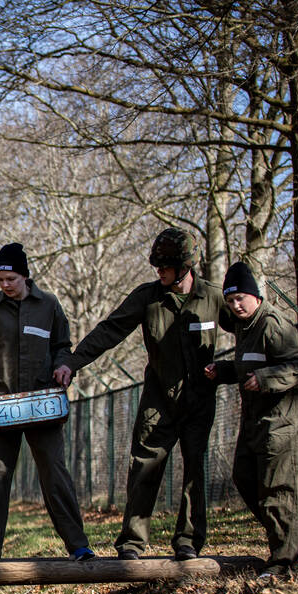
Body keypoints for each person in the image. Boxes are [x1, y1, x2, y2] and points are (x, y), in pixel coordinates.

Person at [55, 227, 233, 561]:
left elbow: (247, 325)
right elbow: (110, 330)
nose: (159, 271)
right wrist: (74, 362)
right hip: (158, 400)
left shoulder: (213, 297)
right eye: (156, 265)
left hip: (199, 399)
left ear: (186, 266)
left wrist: (237, 368)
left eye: (165, 265)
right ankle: (132, 543)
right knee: (144, 468)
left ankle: (188, 542)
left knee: (195, 469)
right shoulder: (148, 297)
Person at [0, 244, 94, 563]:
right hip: (1, 403)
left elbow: (63, 345)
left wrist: (64, 366)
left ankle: (78, 545)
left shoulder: (48, 305)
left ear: (25, 276)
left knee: (54, 473)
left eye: (11, 279)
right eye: (0, 279)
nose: (5, 285)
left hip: (42, 402)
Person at [205, 262, 298, 581]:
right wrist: (222, 372)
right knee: (244, 477)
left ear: (255, 295)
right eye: (231, 301)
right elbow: (245, 367)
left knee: (277, 491)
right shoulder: (243, 326)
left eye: (241, 299)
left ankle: (283, 564)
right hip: (255, 421)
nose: (236, 306)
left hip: (284, 422)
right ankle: (295, 530)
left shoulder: (273, 324)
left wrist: (266, 379)